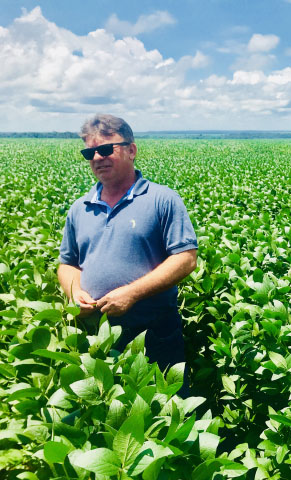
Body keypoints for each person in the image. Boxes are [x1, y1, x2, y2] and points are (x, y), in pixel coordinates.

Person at [58, 114, 197, 383]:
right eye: (90, 152)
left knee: (166, 410)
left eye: (106, 149)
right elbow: (68, 263)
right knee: (99, 415)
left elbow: (185, 258)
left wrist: (132, 293)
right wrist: (75, 293)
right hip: (95, 336)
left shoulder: (162, 199)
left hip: (154, 333)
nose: (98, 157)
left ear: (131, 150)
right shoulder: (80, 208)